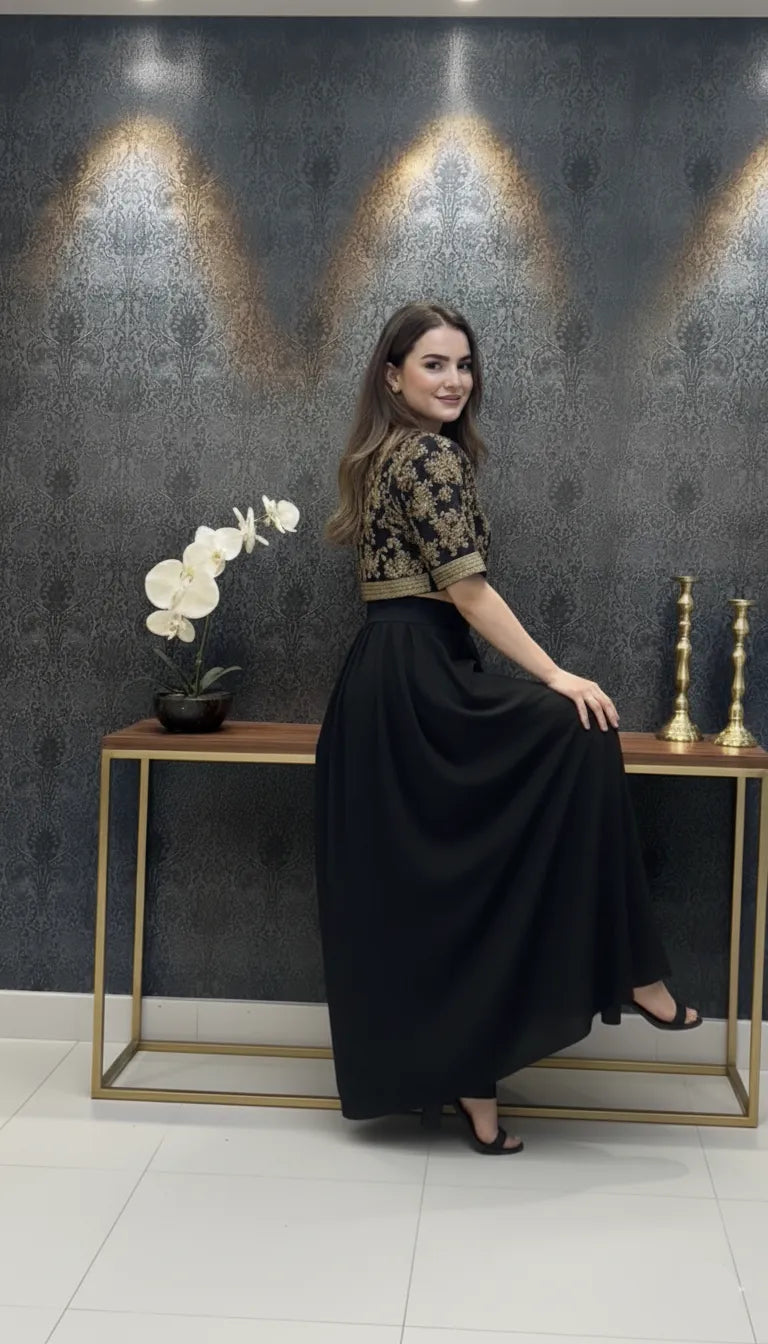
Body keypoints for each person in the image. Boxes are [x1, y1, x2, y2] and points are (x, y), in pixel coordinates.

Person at [315, 300, 700, 1156]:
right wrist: (558, 674)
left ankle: (474, 1082)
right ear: (392, 375)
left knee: (448, 892)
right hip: (418, 682)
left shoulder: (391, 453)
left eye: (463, 364)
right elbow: (469, 592)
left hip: (397, 684)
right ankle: (634, 970)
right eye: (433, 365)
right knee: (579, 729)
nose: (454, 380)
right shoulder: (425, 457)